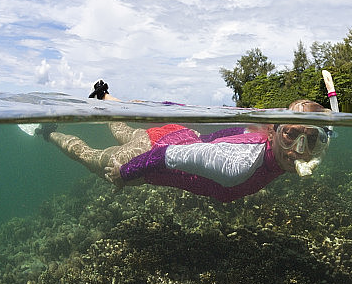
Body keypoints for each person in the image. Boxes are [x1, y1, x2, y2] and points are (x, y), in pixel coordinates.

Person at [40, 81, 331, 202]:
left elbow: (216, 137)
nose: (298, 150)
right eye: (290, 134)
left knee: (126, 132)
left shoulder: (256, 136)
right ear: (274, 132)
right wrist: (124, 173)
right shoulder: (239, 166)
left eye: (311, 139)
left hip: (180, 135)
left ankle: (103, 97)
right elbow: (167, 155)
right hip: (156, 151)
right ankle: (48, 132)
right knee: (90, 157)